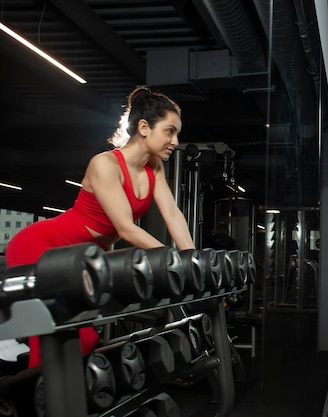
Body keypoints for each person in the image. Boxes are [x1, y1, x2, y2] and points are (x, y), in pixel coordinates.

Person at [5, 86, 196, 368]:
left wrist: (192, 258)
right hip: (41, 248)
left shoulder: (154, 166)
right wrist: (173, 260)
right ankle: (42, 401)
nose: (175, 141)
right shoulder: (105, 164)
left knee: (83, 340)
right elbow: (126, 229)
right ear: (144, 127)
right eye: (170, 131)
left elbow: (172, 213)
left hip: (79, 259)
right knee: (56, 336)